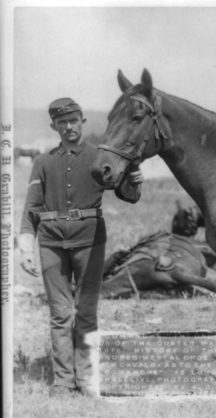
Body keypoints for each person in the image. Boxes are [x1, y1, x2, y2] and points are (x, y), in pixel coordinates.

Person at [17, 97, 144, 397]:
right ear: (54, 126)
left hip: (90, 242)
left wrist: (135, 181)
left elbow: (127, 193)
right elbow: (31, 209)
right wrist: (25, 249)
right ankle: (63, 381)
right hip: (50, 244)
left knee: (86, 312)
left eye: (74, 120)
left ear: (82, 121)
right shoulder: (43, 162)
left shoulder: (99, 157)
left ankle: (86, 379)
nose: (69, 126)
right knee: (60, 315)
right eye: (62, 122)